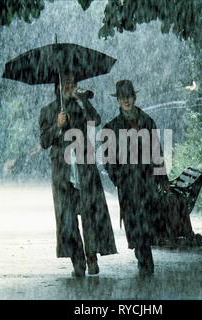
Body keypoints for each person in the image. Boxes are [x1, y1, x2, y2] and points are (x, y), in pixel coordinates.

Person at [39, 73, 117, 277]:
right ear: (58, 86)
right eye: (66, 83)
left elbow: (96, 120)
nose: (71, 86)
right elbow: (44, 142)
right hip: (63, 175)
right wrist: (57, 125)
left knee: (90, 215)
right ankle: (78, 263)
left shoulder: (81, 106)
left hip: (85, 170)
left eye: (73, 83)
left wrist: (83, 102)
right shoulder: (48, 111)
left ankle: (92, 258)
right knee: (68, 219)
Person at [102, 80, 169, 277]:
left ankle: (145, 257)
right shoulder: (112, 127)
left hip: (146, 181)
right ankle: (142, 256)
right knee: (133, 222)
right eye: (122, 97)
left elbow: (157, 151)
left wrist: (162, 177)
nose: (126, 100)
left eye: (129, 96)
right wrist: (118, 177)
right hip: (127, 184)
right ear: (118, 100)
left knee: (146, 220)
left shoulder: (147, 122)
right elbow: (108, 158)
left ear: (134, 97)